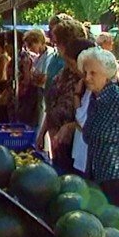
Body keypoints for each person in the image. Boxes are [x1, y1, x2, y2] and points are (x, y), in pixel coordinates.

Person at [78, 47, 119, 237]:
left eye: (93, 72)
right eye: (85, 72)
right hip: (98, 177)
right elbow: (89, 134)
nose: (87, 77)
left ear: (108, 73)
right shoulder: (94, 100)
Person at [37, 19, 88, 171]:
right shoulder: (63, 71)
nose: (55, 46)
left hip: (75, 144)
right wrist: (44, 131)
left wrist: (70, 127)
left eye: (57, 42)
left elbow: (89, 115)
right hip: (58, 140)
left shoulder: (85, 74)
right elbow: (53, 103)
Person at [23, 29, 55, 128]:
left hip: (44, 93)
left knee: (40, 121)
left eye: (31, 45)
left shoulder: (50, 54)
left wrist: (35, 77)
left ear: (39, 42)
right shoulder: (38, 57)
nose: (29, 48)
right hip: (37, 93)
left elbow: (43, 78)